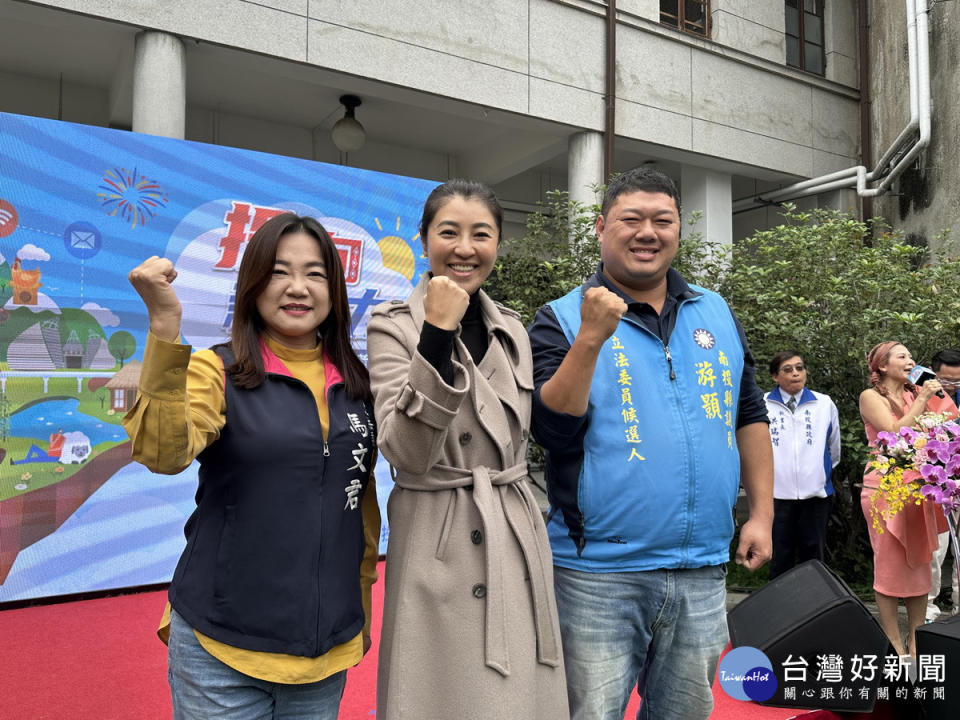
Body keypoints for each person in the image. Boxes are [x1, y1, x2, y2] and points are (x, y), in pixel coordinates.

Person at [528, 166, 773, 720]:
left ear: (679, 229)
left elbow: (748, 412)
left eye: (662, 220)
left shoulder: (714, 311)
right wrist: (592, 337)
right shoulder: (561, 318)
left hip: (701, 568)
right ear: (599, 228)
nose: (648, 232)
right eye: (630, 219)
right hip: (597, 576)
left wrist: (761, 514)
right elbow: (551, 429)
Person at [123, 213, 380, 720]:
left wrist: (361, 605)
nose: (297, 288)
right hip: (222, 649)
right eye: (279, 271)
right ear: (253, 285)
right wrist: (163, 329)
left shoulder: (356, 385)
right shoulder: (214, 370)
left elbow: (360, 509)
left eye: (315, 273)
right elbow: (163, 454)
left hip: (323, 657)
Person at [366, 179, 568, 720]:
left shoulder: (514, 332)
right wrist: (435, 332)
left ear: (498, 244)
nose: (464, 248)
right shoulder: (392, 327)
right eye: (448, 232)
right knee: (438, 694)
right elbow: (405, 452)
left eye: (481, 234)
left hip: (514, 529)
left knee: (517, 697)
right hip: (437, 531)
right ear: (424, 239)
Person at [859, 341, 954, 657]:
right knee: (888, 565)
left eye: (911, 357)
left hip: (917, 490)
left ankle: (915, 640)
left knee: (919, 564)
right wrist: (924, 398)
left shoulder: (915, 395)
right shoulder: (870, 397)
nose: (910, 361)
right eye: (902, 356)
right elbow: (895, 432)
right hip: (883, 489)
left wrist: (936, 399)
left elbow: (946, 427)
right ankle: (894, 642)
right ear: (883, 366)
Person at [765, 351, 841, 578]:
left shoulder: (824, 403)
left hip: (816, 495)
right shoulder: (763, 405)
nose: (796, 373)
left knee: (814, 556)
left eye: (800, 368)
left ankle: (815, 607)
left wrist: (819, 474)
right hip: (775, 494)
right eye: (788, 370)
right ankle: (778, 607)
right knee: (779, 555)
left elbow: (833, 448)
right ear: (775, 377)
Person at [926, 348, 960, 620]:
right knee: (935, 546)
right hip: (936, 482)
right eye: (947, 380)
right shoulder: (922, 396)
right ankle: (927, 606)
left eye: (958, 381)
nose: (952, 386)